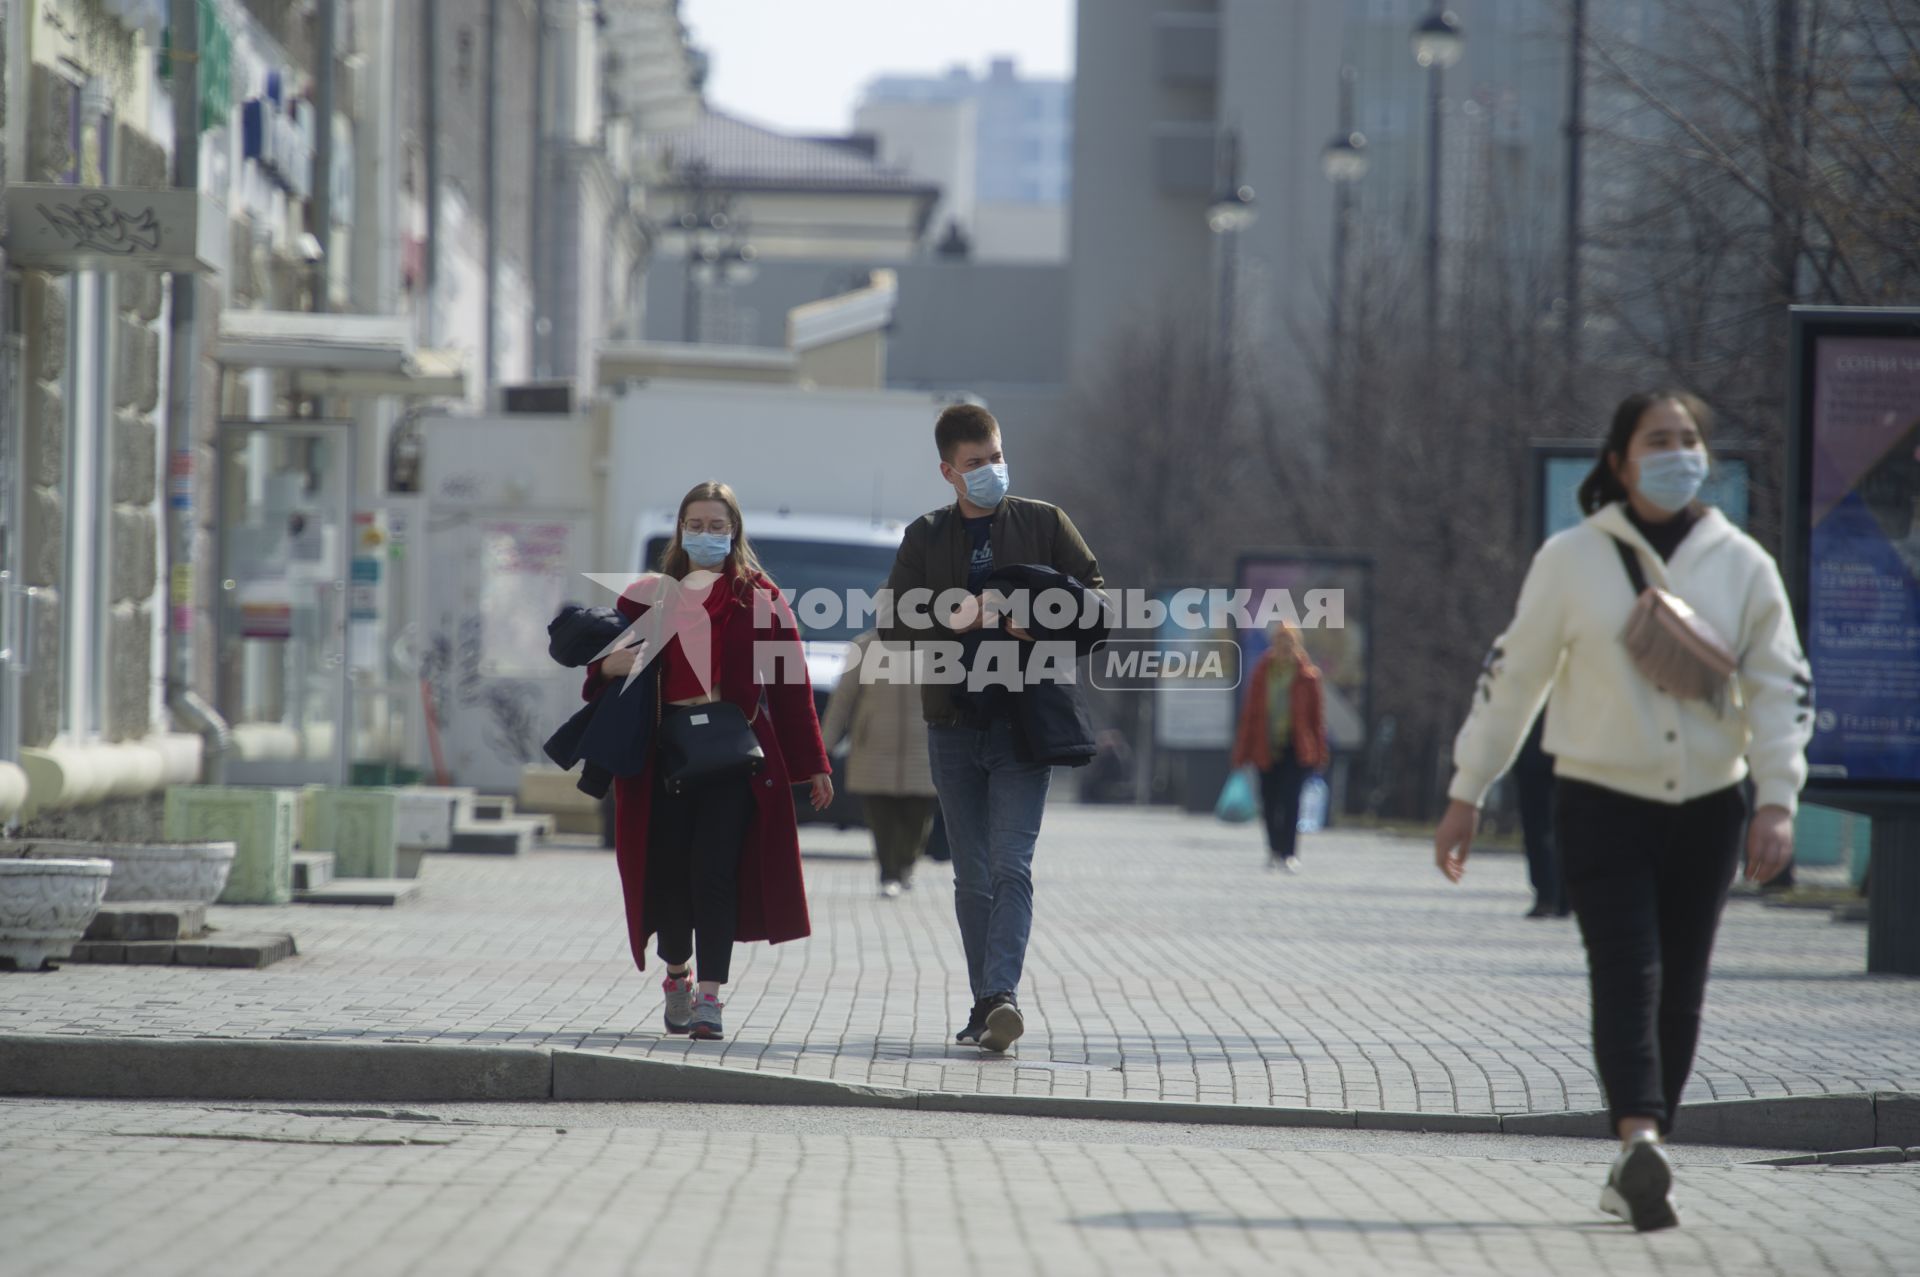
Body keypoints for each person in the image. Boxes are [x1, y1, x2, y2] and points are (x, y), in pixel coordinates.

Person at [1434, 391, 1812, 1232]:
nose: (1677, 453)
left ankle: (1646, 1150)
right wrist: (1469, 788)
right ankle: (1638, 1132)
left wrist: (1777, 799)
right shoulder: (1572, 557)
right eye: (1658, 440)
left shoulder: (1743, 562)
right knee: (1627, 969)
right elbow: (1515, 676)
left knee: (1681, 984)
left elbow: (1779, 684)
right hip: (1600, 799)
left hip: (1712, 805)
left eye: (1689, 440)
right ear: (1619, 460)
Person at [881, 403, 1104, 1054]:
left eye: (998, 457)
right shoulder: (925, 536)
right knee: (971, 874)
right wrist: (955, 614)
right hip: (952, 721)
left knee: (1012, 865)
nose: (991, 471)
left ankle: (1002, 994)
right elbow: (893, 622)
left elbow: (1095, 600)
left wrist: (1030, 619)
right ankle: (986, 1006)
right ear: (949, 470)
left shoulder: (1044, 523)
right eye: (976, 464)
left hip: (1023, 722)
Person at [592, 482, 834, 1042]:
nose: (705, 534)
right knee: (671, 873)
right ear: (680, 531)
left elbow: (791, 686)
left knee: (715, 874)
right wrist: (608, 666)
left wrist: (813, 763)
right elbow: (602, 664)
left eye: (716, 525)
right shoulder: (645, 597)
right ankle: (677, 975)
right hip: (662, 756)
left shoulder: (762, 597)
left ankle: (710, 998)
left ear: (735, 531)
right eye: (695, 524)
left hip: (733, 755)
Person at [820, 626, 938, 897]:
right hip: (874, 746)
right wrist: (825, 745)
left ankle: (907, 862)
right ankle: (889, 872)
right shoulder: (864, 647)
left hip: (921, 744)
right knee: (880, 815)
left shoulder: (935, 645)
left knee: (919, 813)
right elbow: (843, 700)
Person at [1230, 622, 1331, 871]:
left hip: (1296, 748)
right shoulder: (1262, 672)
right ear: (1273, 644)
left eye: (1289, 642)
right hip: (1266, 746)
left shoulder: (1308, 676)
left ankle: (1288, 852)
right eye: (1280, 642)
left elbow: (1316, 718)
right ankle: (1274, 849)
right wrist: (1242, 752)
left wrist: (1319, 751)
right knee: (1269, 800)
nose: (1285, 647)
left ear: (1297, 645)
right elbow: (1250, 715)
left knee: (1291, 799)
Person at [1513, 714, 1568, 917]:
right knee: (1545, 829)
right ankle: (1555, 896)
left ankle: (1550, 896)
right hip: (1552, 756)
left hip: (1546, 755)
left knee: (1542, 829)